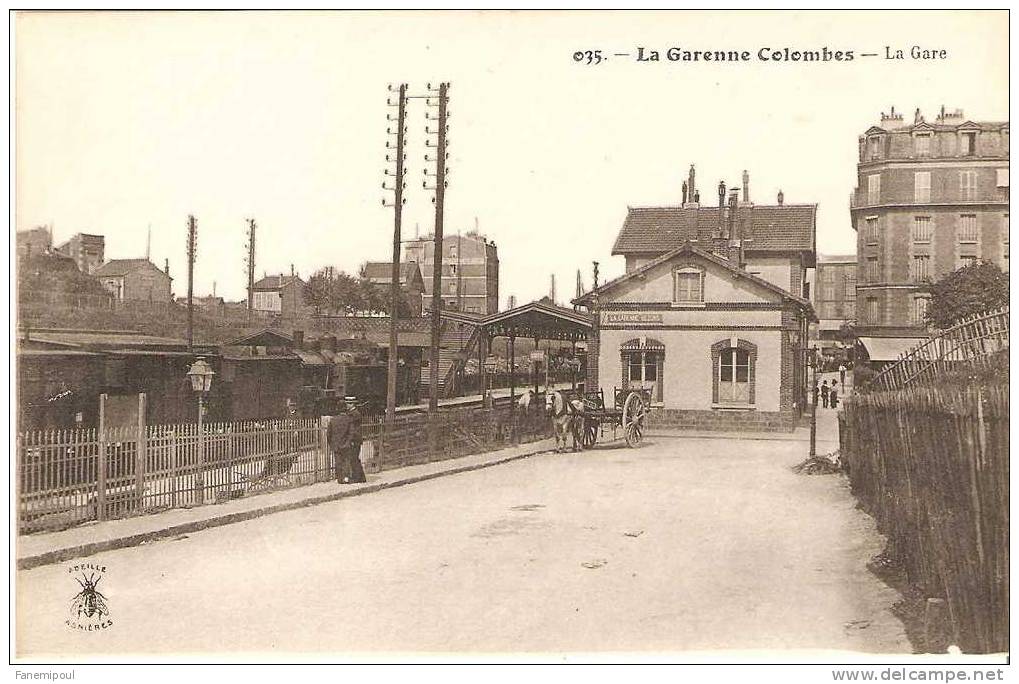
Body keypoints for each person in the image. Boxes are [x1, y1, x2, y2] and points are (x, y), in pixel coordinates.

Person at [327, 400, 354, 484]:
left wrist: (331, 443)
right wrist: (348, 442)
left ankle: (339, 478)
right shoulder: (349, 419)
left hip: (336, 445)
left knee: (338, 462)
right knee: (346, 461)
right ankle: (346, 477)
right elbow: (351, 433)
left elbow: (328, 434)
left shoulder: (333, 420)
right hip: (346, 444)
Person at [344, 396, 367, 484]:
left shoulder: (355, 414)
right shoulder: (352, 413)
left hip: (355, 439)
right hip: (355, 439)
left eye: (348, 403)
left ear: (352, 404)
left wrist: (350, 440)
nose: (347, 405)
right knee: (355, 458)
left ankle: (356, 478)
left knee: (353, 458)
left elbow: (352, 429)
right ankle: (361, 477)